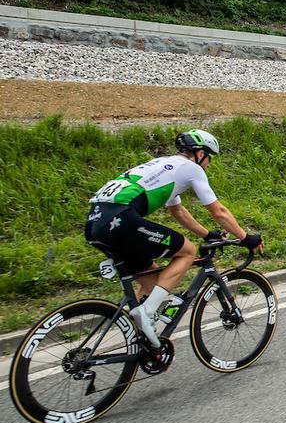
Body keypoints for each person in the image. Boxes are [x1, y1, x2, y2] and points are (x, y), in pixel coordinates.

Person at [85, 129, 260, 347]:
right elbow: (219, 212)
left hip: (95, 222)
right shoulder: (191, 169)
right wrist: (246, 238)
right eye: (209, 157)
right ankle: (147, 313)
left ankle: (140, 342)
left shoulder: (164, 165)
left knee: (152, 282)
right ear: (199, 153)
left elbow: (177, 211)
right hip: (120, 219)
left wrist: (206, 234)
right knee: (187, 252)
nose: (209, 163)